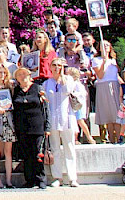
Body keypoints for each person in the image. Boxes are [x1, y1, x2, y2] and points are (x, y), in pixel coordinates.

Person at [43, 57, 79, 187]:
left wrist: (63, 75)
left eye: (59, 65)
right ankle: (57, 177)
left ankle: (72, 177)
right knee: (55, 148)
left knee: (69, 148)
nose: (56, 68)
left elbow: (68, 90)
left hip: (67, 118)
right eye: (54, 65)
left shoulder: (68, 80)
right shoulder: (47, 83)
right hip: (53, 119)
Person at [12, 67, 49, 189]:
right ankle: (29, 180)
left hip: (37, 126)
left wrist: (47, 126)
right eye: (19, 75)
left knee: (38, 153)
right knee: (27, 155)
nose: (23, 77)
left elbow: (45, 108)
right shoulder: (16, 91)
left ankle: (41, 180)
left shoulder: (37, 88)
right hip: (22, 127)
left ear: (29, 75)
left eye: (24, 74)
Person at [93, 40, 121, 143]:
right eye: (102, 45)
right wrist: (104, 62)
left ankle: (119, 138)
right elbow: (100, 75)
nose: (105, 47)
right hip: (103, 86)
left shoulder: (114, 60)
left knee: (117, 114)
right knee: (108, 115)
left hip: (115, 86)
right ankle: (111, 139)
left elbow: (116, 75)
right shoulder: (96, 60)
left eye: (107, 45)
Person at [65, 67, 95, 145]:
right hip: (72, 106)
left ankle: (89, 137)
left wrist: (74, 94)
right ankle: (75, 139)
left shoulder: (77, 84)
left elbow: (83, 94)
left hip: (79, 105)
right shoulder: (70, 84)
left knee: (80, 121)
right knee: (74, 122)